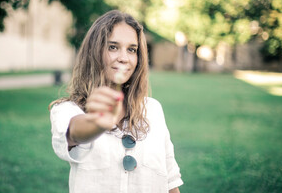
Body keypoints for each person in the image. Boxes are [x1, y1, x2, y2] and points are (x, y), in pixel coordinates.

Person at [49, 10, 183, 193]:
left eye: (132, 50)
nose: (124, 58)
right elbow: (75, 132)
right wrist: (96, 123)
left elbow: (170, 181)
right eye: (113, 47)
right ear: (95, 52)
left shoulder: (152, 109)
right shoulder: (67, 109)